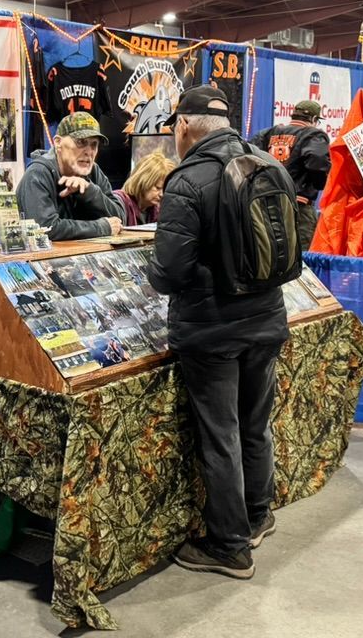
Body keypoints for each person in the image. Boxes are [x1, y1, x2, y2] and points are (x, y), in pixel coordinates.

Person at [148, 85, 289, 580]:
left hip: (211, 330)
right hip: (268, 318)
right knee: (255, 423)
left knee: (221, 435)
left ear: (182, 125)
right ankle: (257, 515)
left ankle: (229, 546)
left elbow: (168, 272)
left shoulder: (188, 179)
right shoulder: (267, 162)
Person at [16, 112, 125, 240]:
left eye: (94, 144)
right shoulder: (38, 174)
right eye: (81, 142)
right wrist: (101, 227)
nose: (88, 152)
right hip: (40, 259)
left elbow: (120, 220)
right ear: (57, 143)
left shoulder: (93, 171)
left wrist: (91, 193)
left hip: (83, 256)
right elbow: (44, 228)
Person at [250, 100, 331, 249]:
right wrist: (319, 183)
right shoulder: (313, 135)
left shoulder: (267, 134)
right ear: (314, 119)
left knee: (269, 251)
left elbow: (249, 158)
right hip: (298, 207)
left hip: (266, 204)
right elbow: (317, 161)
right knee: (302, 256)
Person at [114, 152, 175, 226]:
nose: (161, 194)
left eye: (165, 189)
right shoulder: (118, 203)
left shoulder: (156, 211)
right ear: (142, 181)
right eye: (157, 188)